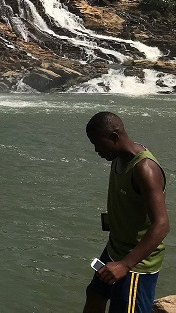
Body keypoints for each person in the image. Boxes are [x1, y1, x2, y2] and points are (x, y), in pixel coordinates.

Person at [83, 112, 169, 313]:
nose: (96, 150)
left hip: (136, 262)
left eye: (98, 144)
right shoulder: (119, 157)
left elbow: (162, 224)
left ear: (114, 137)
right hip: (115, 249)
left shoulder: (145, 169)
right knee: (95, 295)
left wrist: (124, 265)